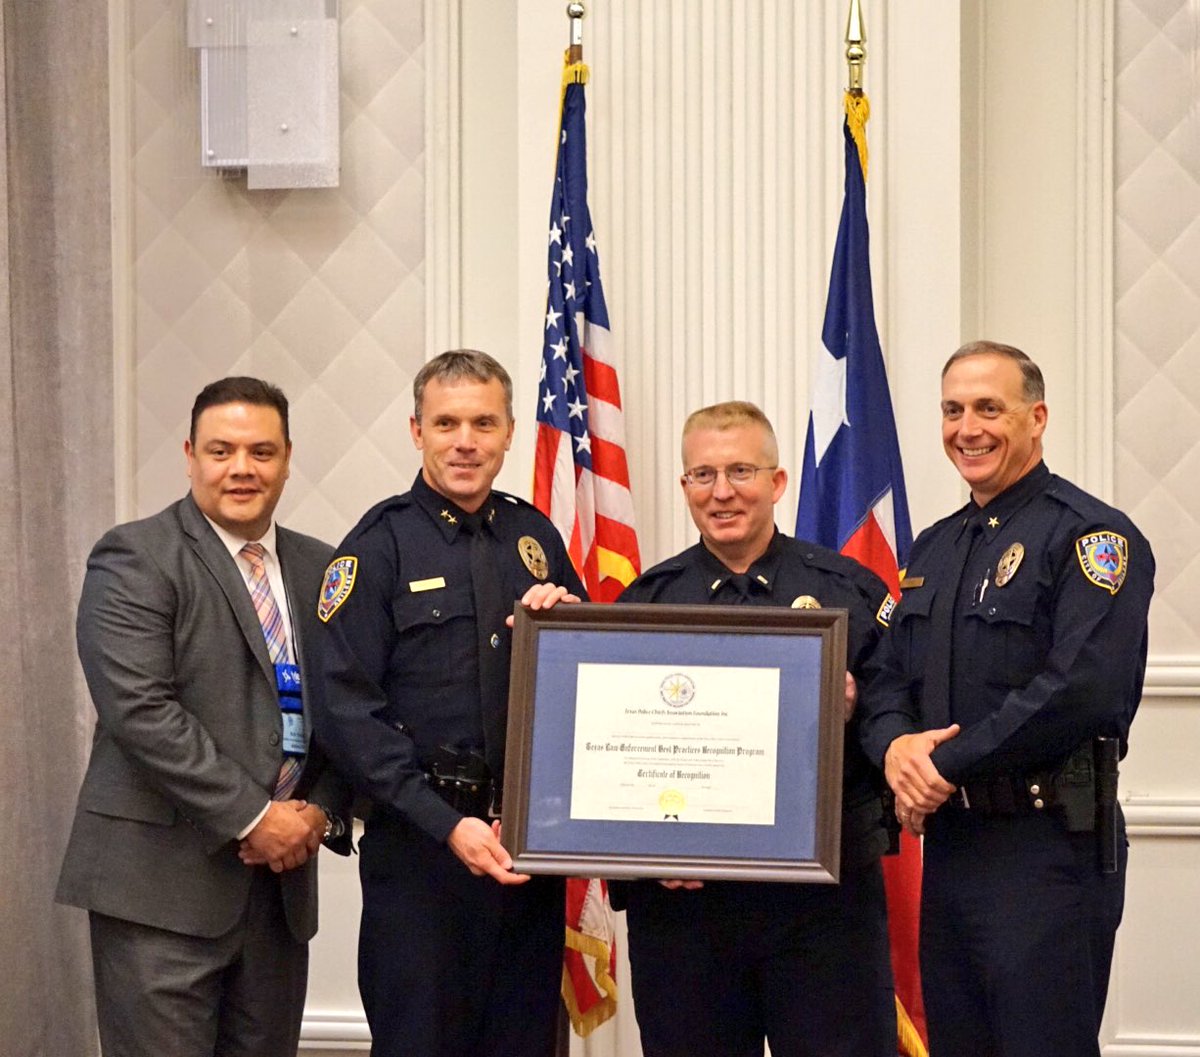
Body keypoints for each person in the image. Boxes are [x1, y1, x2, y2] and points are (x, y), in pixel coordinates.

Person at [858, 341, 1155, 1057]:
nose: (969, 429)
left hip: (1048, 850)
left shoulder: (1091, 536)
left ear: (1036, 417)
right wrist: (896, 746)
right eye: (953, 410)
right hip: (953, 851)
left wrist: (944, 763)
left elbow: (1079, 689)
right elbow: (885, 675)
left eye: (989, 408)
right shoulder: (931, 548)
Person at [56, 376, 352, 1057]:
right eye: (222, 450)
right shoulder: (136, 555)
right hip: (160, 893)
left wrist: (319, 812)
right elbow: (140, 709)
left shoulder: (323, 567)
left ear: (286, 457)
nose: (242, 467)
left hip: (278, 899)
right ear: (190, 454)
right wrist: (257, 816)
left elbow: (350, 709)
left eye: (260, 450)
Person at [308, 349, 586, 1057]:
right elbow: (347, 714)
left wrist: (568, 621)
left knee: (523, 1043)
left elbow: (586, 683)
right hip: (422, 854)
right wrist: (446, 824)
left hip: (524, 852)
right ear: (416, 430)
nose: (466, 440)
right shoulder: (377, 546)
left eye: (483, 422)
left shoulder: (535, 538)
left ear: (509, 432)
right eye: (448, 422)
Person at [613, 400, 897, 1057]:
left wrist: (851, 714)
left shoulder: (847, 592)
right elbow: (620, 758)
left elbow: (898, 721)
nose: (722, 492)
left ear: (778, 481)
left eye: (741, 470)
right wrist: (648, 853)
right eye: (702, 474)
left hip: (824, 909)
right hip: (686, 912)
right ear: (684, 486)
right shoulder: (641, 605)